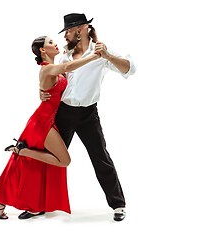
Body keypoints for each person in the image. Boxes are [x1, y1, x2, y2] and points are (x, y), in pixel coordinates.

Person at [0, 36, 100, 220]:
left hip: (47, 119)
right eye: (50, 43)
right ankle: (22, 152)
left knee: (35, 166)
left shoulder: (51, 69)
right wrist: (94, 56)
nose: (55, 43)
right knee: (64, 161)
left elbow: (53, 83)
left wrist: (41, 91)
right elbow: (65, 68)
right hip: (42, 122)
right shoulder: (48, 69)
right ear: (42, 50)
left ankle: (3, 199)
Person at [40, 13, 136, 221]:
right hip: (63, 113)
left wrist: (108, 57)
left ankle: (118, 205)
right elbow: (53, 80)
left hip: (87, 115)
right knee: (49, 157)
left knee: (101, 158)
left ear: (81, 29)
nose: (65, 35)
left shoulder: (100, 52)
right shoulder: (65, 55)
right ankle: (38, 204)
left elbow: (130, 69)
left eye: (68, 30)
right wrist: (42, 91)